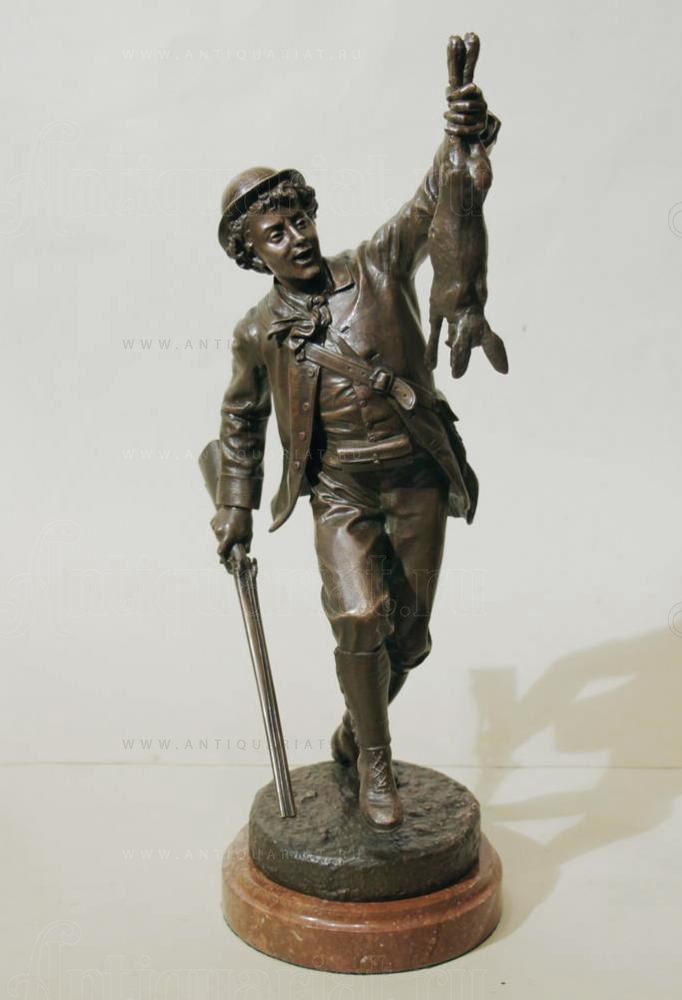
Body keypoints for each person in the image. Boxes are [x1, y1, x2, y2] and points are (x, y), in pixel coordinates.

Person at [209, 78, 500, 830]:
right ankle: (375, 760)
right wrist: (235, 505)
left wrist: (463, 134)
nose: (295, 237)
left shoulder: (377, 263)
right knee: (360, 616)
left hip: (416, 481)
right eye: (275, 233)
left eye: (298, 218)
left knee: (408, 638)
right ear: (253, 254)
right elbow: (240, 420)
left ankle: (352, 729)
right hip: (340, 492)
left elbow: (434, 197)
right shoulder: (257, 332)